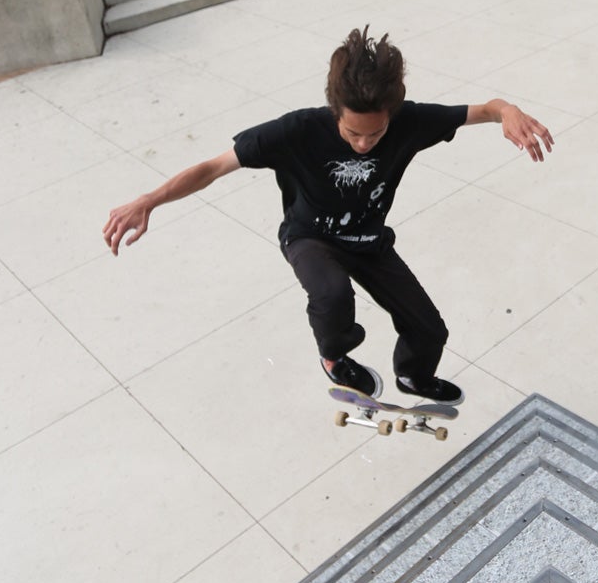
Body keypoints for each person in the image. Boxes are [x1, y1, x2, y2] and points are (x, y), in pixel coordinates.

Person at [103, 26, 554, 405]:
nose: (364, 143)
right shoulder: (295, 131)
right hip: (309, 237)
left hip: (369, 243)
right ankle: (336, 358)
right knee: (333, 294)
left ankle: (413, 376)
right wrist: (150, 199)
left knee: (430, 329)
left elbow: (488, 109)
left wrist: (508, 113)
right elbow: (212, 167)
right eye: (352, 132)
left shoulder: (411, 122)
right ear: (335, 112)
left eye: (375, 133)